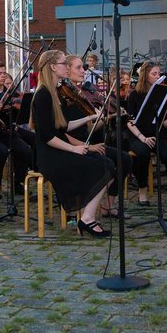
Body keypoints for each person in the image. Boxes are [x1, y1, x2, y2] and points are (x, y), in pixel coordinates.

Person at [29, 50, 115, 237]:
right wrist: (74, 148)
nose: (66, 68)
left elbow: (63, 126)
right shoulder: (43, 94)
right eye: (62, 64)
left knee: (108, 164)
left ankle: (87, 217)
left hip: (59, 150)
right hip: (50, 155)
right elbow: (46, 136)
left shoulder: (53, 93)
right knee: (104, 167)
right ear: (53, 67)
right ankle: (88, 219)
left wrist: (90, 117)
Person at [60, 54, 132, 218]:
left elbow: (90, 127)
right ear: (67, 69)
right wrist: (86, 146)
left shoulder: (79, 94)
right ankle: (82, 209)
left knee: (125, 159)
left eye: (83, 67)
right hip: (72, 147)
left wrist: (107, 117)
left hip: (86, 142)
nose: (83, 71)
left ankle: (108, 206)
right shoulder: (62, 96)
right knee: (105, 165)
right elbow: (61, 132)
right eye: (78, 67)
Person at [126, 61, 167, 205]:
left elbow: (166, 122)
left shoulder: (162, 94)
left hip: (157, 134)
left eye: (159, 74)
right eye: (154, 74)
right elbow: (129, 122)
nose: (158, 76)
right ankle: (142, 189)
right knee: (142, 154)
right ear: (145, 76)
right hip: (139, 135)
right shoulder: (134, 95)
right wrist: (142, 138)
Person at [0, 61, 32, 197]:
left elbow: (18, 115)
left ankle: (17, 182)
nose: (3, 76)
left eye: (4, 73)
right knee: (1, 151)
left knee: (25, 150)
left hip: (7, 132)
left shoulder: (11, 94)